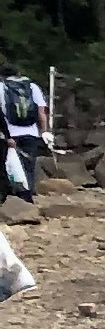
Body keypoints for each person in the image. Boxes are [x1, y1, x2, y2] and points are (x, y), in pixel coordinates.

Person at [0, 70, 45, 302]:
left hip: (10, 136)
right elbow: (40, 112)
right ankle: (26, 199)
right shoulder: (32, 87)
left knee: (9, 172)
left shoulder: (2, 88)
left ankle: (17, 200)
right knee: (27, 168)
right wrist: (44, 131)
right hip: (29, 134)